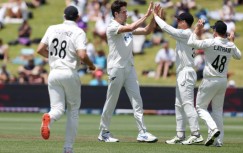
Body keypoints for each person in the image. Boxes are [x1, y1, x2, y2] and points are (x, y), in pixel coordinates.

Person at [37, 6, 96, 153]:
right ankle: (68, 148)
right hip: (69, 72)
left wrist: (53, 57)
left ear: (64, 16)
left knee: (57, 109)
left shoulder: (52, 28)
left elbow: (40, 49)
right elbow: (82, 55)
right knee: (73, 111)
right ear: (77, 18)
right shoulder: (78, 31)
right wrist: (91, 65)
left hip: (54, 72)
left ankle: (49, 117)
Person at [98, 0, 158, 143]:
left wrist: (154, 18)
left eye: (126, 11)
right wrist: (146, 15)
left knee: (137, 100)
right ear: (116, 13)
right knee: (111, 101)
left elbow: (147, 30)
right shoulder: (112, 27)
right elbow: (132, 26)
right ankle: (103, 132)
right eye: (124, 12)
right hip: (116, 68)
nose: (126, 14)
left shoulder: (126, 26)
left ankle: (142, 132)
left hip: (129, 68)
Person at [153, 6, 203, 144]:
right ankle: (180, 135)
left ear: (184, 22)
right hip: (182, 73)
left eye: (179, 20)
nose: (177, 22)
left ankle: (196, 134)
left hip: (186, 72)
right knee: (178, 105)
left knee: (187, 104)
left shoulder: (186, 33)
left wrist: (155, 16)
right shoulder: (185, 34)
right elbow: (169, 31)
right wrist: (160, 19)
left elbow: (169, 29)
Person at [187, 20, 242, 147]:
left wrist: (196, 30)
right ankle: (219, 141)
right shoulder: (229, 45)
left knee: (200, 107)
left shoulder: (211, 42)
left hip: (210, 80)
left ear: (216, 31)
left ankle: (213, 129)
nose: (212, 31)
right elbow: (239, 56)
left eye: (213, 29)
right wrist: (232, 42)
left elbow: (191, 42)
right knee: (217, 110)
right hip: (222, 81)